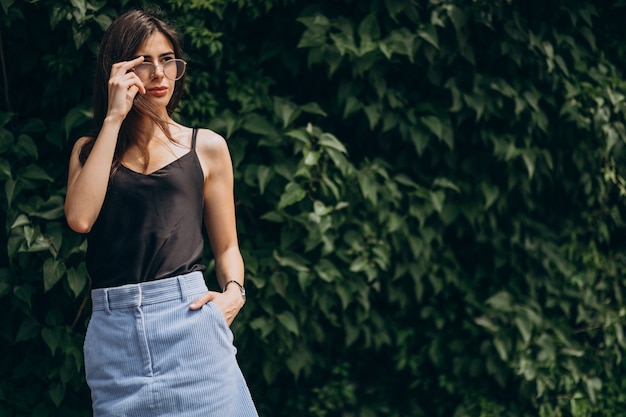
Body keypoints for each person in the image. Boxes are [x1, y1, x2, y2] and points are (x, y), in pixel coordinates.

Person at [64, 9, 258, 417]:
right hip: (115, 340)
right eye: (144, 61)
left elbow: (227, 248)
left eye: (168, 60)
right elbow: (81, 219)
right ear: (117, 71)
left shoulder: (206, 146)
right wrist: (115, 118)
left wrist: (234, 294)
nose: (159, 73)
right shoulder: (90, 149)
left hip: (189, 324)